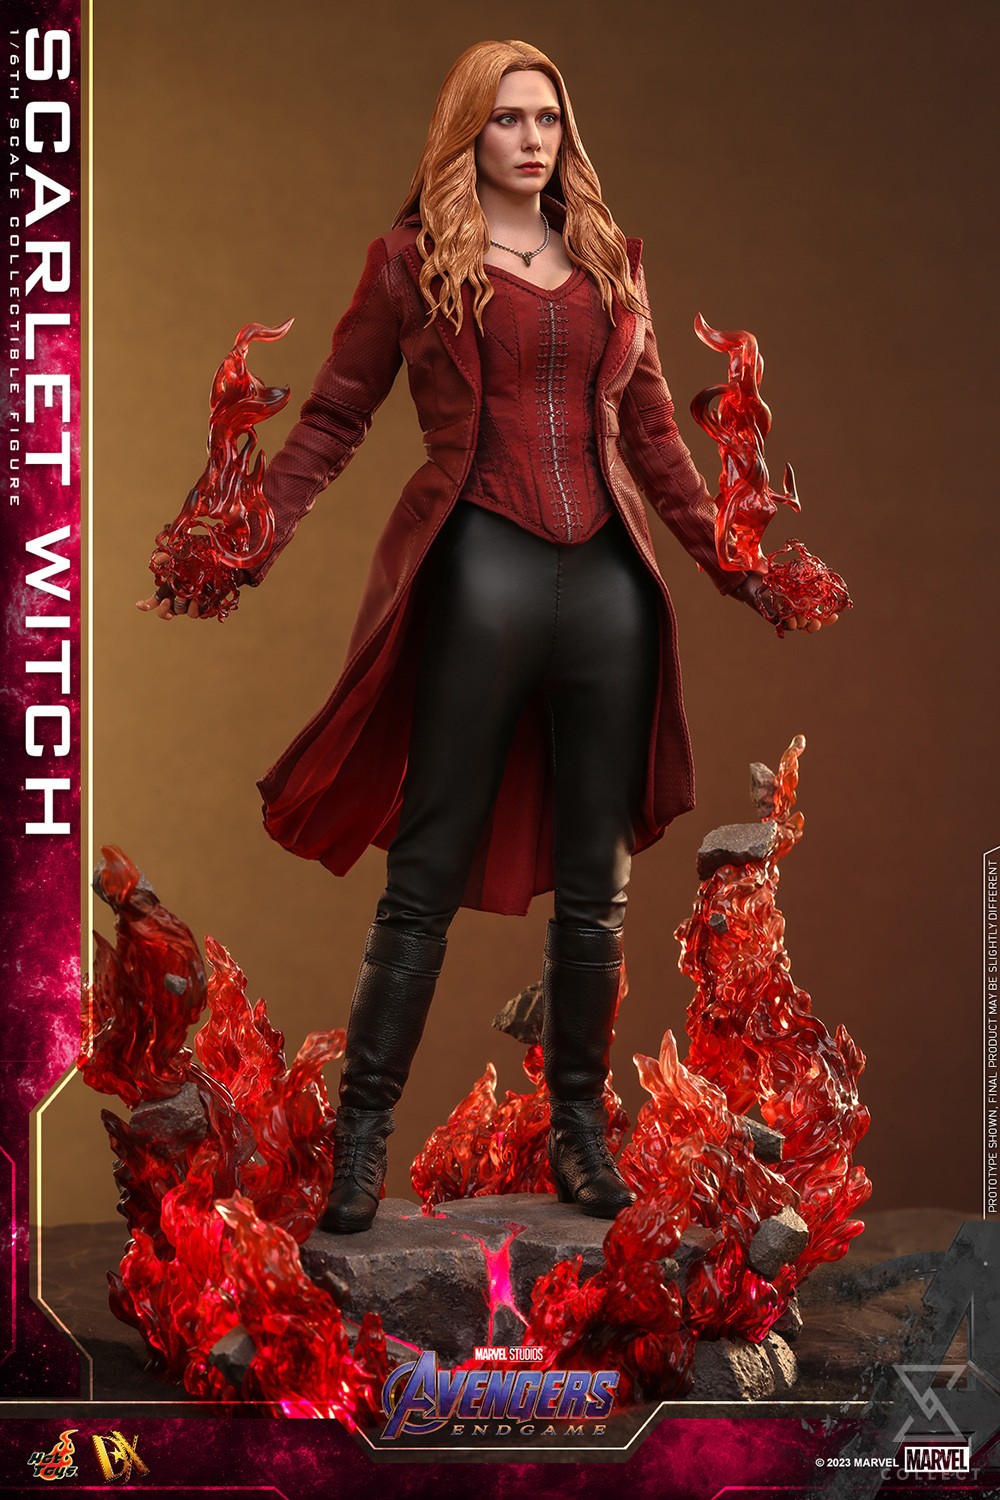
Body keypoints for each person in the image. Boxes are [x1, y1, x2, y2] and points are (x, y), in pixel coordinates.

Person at [137, 40, 837, 1233]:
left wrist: (743, 570)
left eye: (547, 119)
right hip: (478, 573)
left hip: (610, 589)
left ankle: (580, 1136)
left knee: (596, 888)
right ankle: (362, 1141)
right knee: (422, 878)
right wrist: (248, 539)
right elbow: (333, 417)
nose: (531, 139)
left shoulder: (612, 259)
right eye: (507, 118)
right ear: (467, 132)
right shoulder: (409, 262)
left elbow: (655, 441)